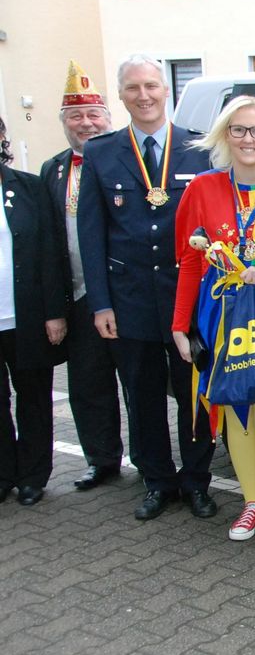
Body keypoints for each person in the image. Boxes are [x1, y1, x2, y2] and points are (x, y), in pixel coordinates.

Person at [78, 54, 215, 520]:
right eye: (134, 88)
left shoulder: (199, 149)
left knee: (194, 393)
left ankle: (197, 481)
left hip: (188, 300)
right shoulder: (101, 152)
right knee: (142, 395)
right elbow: (91, 235)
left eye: (152, 86)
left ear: (166, 90)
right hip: (129, 298)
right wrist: (100, 304)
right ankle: (157, 481)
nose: (144, 95)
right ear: (121, 95)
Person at [172, 96, 255, 542]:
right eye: (239, 130)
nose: (248, 139)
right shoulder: (201, 188)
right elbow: (188, 261)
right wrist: (180, 325)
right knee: (234, 405)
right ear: (225, 136)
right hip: (220, 314)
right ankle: (250, 503)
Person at [40, 60, 126, 492]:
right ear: (65, 123)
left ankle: (152, 461)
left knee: (137, 382)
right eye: (76, 116)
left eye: (94, 115)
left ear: (108, 119)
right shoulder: (52, 171)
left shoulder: (125, 161)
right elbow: (48, 244)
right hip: (78, 296)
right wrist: (54, 307)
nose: (86, 123)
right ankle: (102, 459)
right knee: (88, 385)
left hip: (123, 294)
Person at [0, 117, 68, 506]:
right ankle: (2, 473)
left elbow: (48, 251)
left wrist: (54, 312)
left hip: (24, 315)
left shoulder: (27, 187)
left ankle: (32, 476)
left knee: (34, 399)